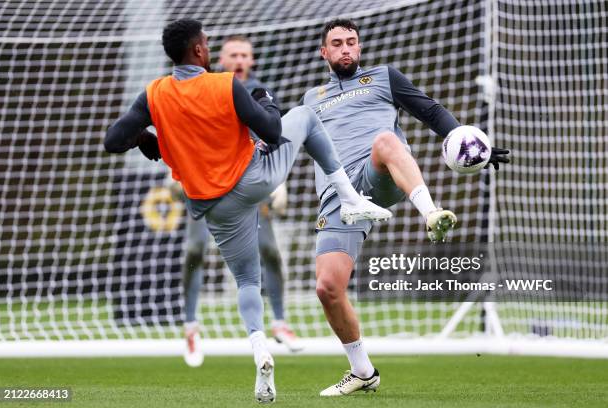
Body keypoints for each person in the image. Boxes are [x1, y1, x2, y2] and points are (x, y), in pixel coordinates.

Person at [104, 18, 392, 403]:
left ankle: (260, 348)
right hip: (252, 180)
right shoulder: (225, 84)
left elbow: (112, 141)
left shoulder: (154, 93)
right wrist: (266, 102)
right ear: (199, 51)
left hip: (212, 206)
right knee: (304, 117)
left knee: (246, 280)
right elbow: (273, 132)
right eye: (206, 43)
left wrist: (143, 135)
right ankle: (351, 198)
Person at [301, 19, 510, 396]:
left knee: (384, 140)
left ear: (359, 49)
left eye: (351, 42)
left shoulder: (384, 78)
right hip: (339, 195)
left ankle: (431, 213)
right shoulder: (310, 100)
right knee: (327, 287)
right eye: (337, 43)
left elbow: (430, 112)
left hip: (377, 173)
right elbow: (286, 141)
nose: (345, 48)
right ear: (324, 52)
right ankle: (363, 371)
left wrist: (469, 143)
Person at [180, 36, 302, 368]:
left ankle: (279, 321)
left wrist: (281, 183)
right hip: (206, 186)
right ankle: (191, 326)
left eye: (244, 55)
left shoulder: (260, 92)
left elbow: (273, 136)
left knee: (270, 252)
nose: (239, 59)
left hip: (248, 183)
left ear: (252, 61)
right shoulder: (205, 89)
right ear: (220, 58)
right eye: (233, 54)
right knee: (194, 251)